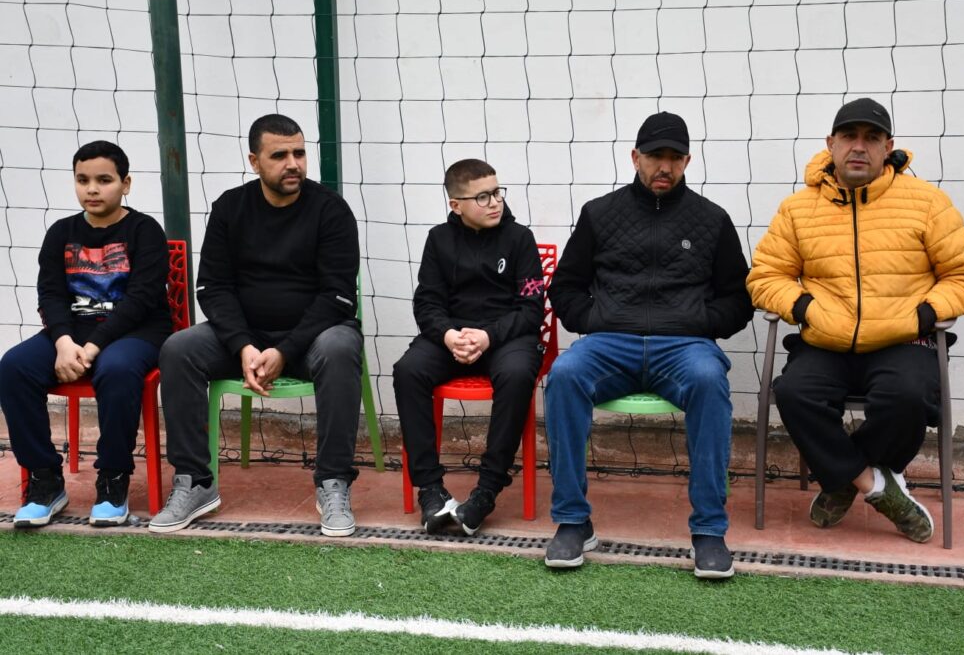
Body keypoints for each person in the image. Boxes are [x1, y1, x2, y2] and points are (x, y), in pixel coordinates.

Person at [747, 98, 964, 543]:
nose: (859, 146)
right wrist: (804, 309)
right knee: (794, 393)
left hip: (902, 339)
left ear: (887, 147)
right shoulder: (798, 209)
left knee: (907, 397)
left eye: (872, 138)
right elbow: (765, 276)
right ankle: (875, 485)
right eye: (849, 136)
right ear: (831, 144)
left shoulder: (927, 203)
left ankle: (842, 481)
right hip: (825, 339)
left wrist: (922, 314)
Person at [543, 112, 753, 578]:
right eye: (656, 156)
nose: (665, 166)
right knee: (565, 374)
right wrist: (594, 320)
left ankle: (709, 530)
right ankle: (573, 521)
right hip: (609, 343)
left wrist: (699, 323)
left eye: (675, 158)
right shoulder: (599, 214)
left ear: (688, 162)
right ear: (635, 157)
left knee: (709, 379)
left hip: (684, 347)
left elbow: (738, 298)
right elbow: (566, 287)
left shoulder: (712, 220)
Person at [149, 114, 363, 537]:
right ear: (254, 161)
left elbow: (338, 296)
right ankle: (196, 482)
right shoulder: (231, 207)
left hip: (313, 339)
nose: (293, 164)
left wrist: (285, 350)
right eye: (279, 155)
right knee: (179, 348)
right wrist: (243, 345)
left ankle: (333, 482)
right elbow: (212, 287)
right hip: (244, 339)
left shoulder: (330, 210)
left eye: (299, 153)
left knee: (340, 347)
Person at [0, 141, 172, 527]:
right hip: (72, 333)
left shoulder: (145, 231)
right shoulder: (61, 233)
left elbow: (142, 299)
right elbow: (51, 295)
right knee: (13, 367)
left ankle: (112, 481)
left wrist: (92, 346)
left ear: (126, 184)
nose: (92, 189)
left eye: (104, 180)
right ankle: (45, 481)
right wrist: (63, 342)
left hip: (136, 332)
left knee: (117, 369)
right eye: (83, 180)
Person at [393, 159, 544, 536]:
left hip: (505, 340)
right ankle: (430, 490)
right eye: (483, 197)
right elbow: (427, 302)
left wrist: (488, 336)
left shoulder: (520, 239)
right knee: (408, 371)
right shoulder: (438, 240)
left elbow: (531, 307)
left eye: (497, 192)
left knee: (517, 374)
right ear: (456, 205)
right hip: (452, 338)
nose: (495, 202)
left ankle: (486, 491)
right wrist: (448, 335)